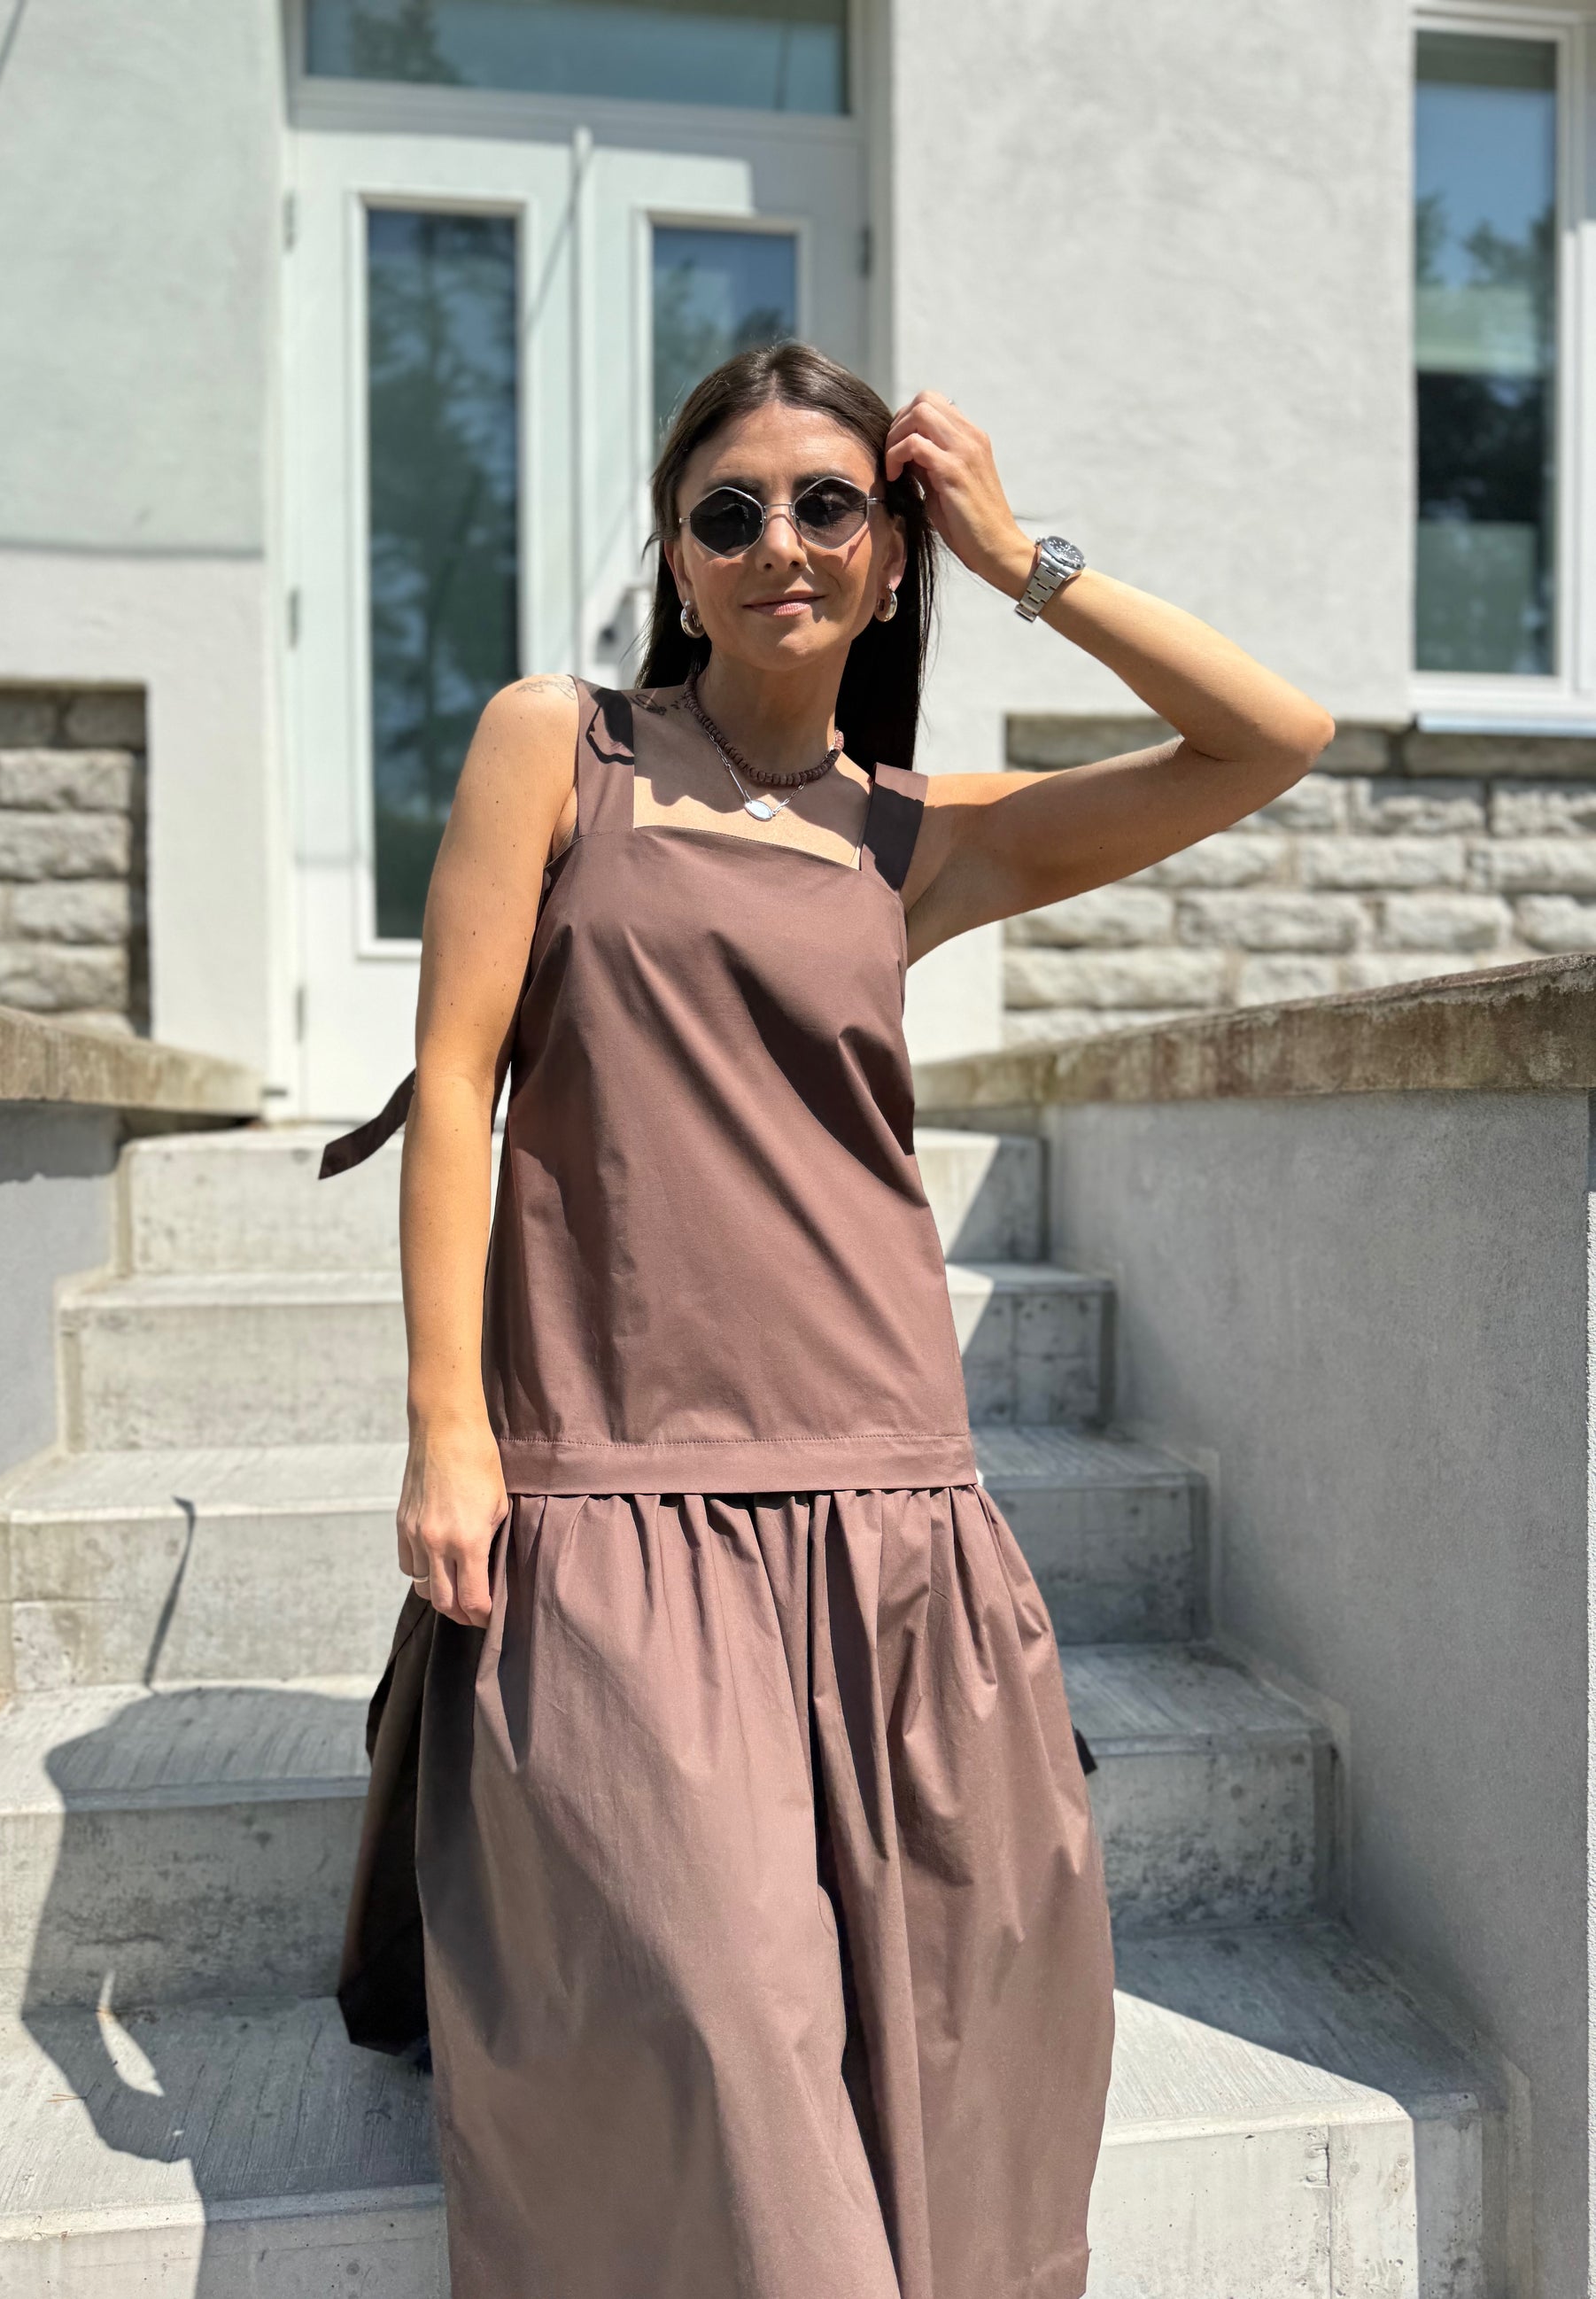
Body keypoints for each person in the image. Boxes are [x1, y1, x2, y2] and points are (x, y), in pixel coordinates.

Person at [325, 342, 1334, 2299]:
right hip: (618, 1488)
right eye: (728, 510)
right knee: (717, 2010)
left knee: (970, 2023)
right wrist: (450, 1428)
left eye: (826, 504)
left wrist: (1023, 559)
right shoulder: (560, 745)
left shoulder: (909, 836)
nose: (776, 540)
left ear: (886, 559)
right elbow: (454, 1084)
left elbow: (1266, 739)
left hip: (888, 1495)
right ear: (676, 559)